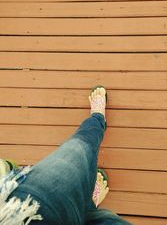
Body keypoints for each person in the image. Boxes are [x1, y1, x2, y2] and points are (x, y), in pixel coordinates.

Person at [0, 86, 133, 225]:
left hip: (17, 213)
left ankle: (98, 119)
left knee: (81, 147)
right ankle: (89, 202)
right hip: (34, 208)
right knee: (82, 145)